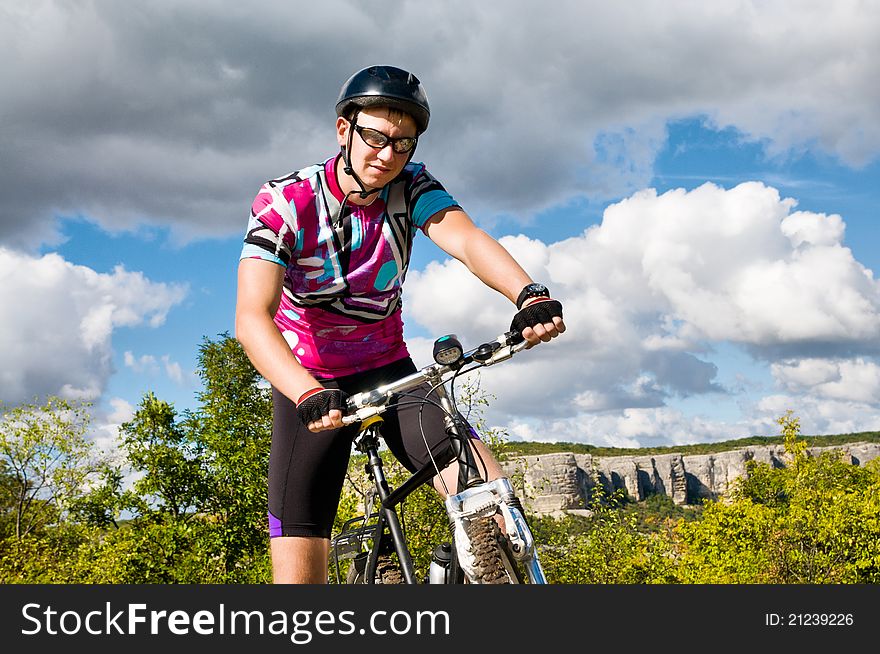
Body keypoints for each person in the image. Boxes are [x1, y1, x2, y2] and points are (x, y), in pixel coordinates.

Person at [235, 65, 565, 584]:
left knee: (487, 490)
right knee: (299, 567)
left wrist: (528, 294)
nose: (387, 156)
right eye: (375, 137)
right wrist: (304, 393)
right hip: (311, 383)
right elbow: (252, 318)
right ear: (344, 130)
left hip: (390, 371)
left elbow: (467, 239)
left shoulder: (410, 188)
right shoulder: (285, 201)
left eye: (403, 144)